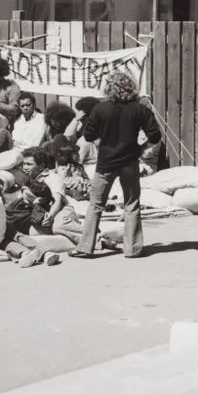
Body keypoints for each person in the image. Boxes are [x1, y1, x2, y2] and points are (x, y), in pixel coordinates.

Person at [71, 72, 161, 259]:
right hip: (129, 162)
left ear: (109, 88)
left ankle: (85, 247)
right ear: (131, 87)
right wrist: (139, 147)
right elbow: (155, 136)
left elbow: (88, 136)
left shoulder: (100, 109)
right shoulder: (140, 109)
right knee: (132, 204)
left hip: (106, 162)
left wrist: (101, 140)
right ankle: (133, 249)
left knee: (95, 204)